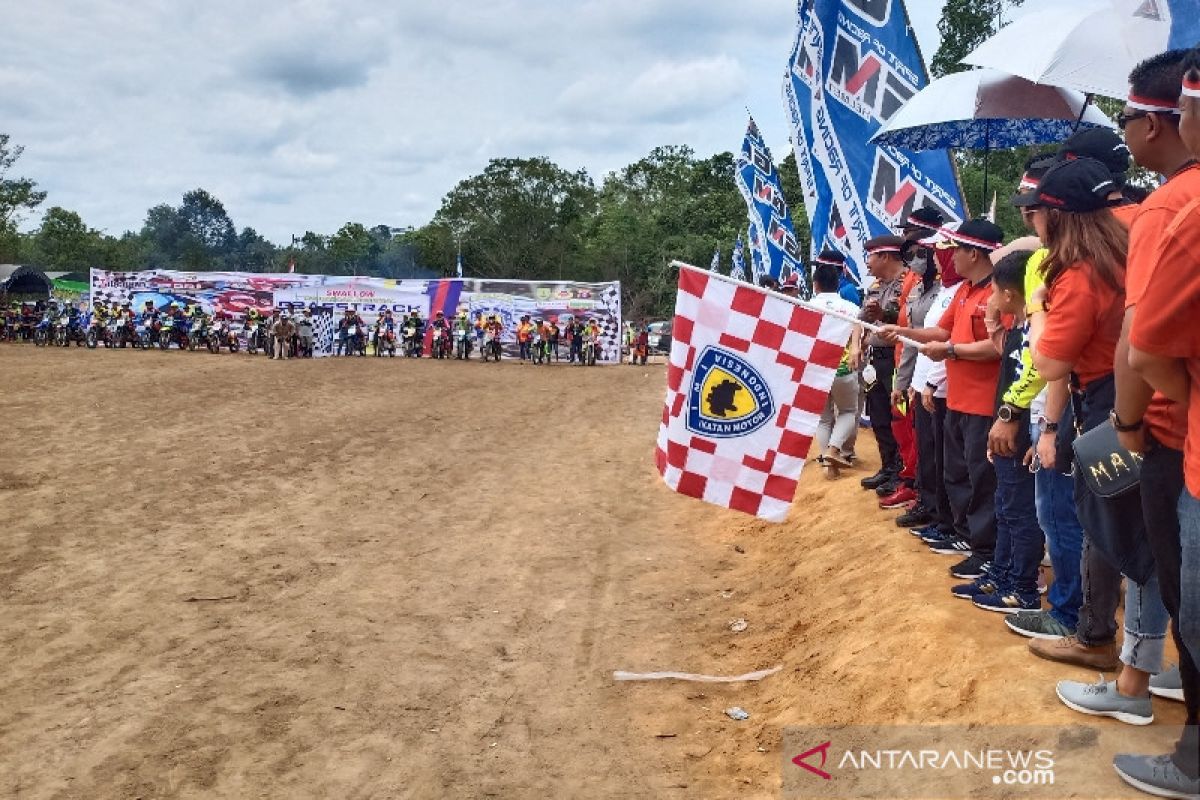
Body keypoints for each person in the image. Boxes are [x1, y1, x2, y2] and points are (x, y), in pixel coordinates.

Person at [1021, 157, 1170, 719]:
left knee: (1126, 540)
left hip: (1114, 407)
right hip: (1130, 400)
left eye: (1035, 213)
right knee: (1146, 539)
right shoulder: (1122, 254)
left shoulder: (1081, 273)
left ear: (1056, 219)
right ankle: (1152, 665)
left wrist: (1037, 308)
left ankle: (1131, 678)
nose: (1032, 223)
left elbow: (1050, 359)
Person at [1110, 51, 1200, 795]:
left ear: (1158, 120)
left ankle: (1191, 751)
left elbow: (1144, 344)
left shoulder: (1172, 209)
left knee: (1181, 587)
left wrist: (1130, 426)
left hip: (1175, 434)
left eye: (1126, 118)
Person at [882, 219, 1005, 582]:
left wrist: (951, 351)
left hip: (983, 403)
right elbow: (942, 330)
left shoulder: (997, 292)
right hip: (958, 400)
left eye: (954, 250)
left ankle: (986, 551)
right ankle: (971, 540)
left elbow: (997, 346)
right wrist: (904, 331)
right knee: (958, 473)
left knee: (983, 481)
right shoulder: (966, 290)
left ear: (974, 253)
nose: (945, 257)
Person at [858, 236, 908, 495]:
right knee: (877, 415)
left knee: (897, 416)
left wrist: (881, 316)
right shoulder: (875, 286)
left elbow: (904, 319)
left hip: (896, 358)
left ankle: (903, 470)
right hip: (875, 358)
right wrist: (860, 344)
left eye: (871, 257)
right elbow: (861, 318)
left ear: (885, 257)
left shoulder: (908, 282)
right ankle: (888, 466)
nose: (868, 264)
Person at [811, 262, 864, 478]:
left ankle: (826, 463)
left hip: (815, 369)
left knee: (823, 419)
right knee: (848, 412)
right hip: (843, 368)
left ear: (815, 286)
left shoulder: (805, 305)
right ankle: (834, 450)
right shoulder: (851, 308)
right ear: (838, 284)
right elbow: (858, 330)